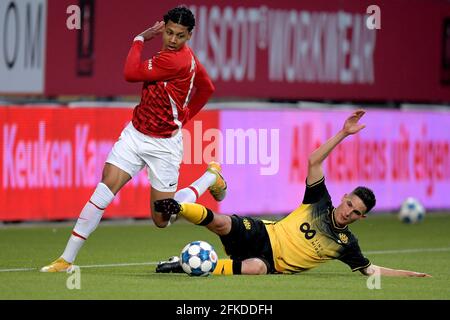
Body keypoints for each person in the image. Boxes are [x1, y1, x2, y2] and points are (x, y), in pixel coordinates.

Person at [41, 6, 226, 272]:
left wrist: (140, 38)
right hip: (135, 134)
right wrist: (184, 116)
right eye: (170, 32)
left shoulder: (177, 61)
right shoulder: (180, 57)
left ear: (189, 36)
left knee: (162, 219)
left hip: (163, 146)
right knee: (105, 188)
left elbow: (130, 73)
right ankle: (66, 259)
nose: (173, 39)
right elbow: (207, 87)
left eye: (181, 36)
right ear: (165, 28)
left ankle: (211, 177)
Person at [154, 110, 431, 277]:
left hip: (270, 262)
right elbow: (313, 161)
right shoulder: (320, 201)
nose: (349, 211)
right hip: (264, 233)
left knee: (256, 270)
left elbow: (370, 271)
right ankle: (178, 208)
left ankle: (185, 266)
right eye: (349, 203)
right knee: (222, 223)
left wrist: (410, 274)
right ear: (344, 197)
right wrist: (343, 133)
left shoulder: (346, 243)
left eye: (356, 211)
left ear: (363, 217)